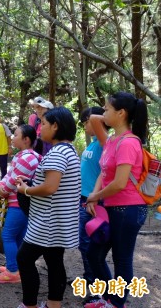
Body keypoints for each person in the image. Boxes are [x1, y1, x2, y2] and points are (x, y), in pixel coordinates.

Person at [84, 92, 149, 308]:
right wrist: (94, 197)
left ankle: (116, 304)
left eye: (107, 109)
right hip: (112, 207)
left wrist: (95, 196)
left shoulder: (129, 143)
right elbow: (104, 172)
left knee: (122, 259)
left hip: (128, 210)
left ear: (121, 113)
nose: (102, 113)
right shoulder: (111, 139)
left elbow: (120, 183)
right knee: (94, 254)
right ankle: (108, 297)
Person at [15, 106, 81, 308]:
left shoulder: (57, 153)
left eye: (42, 124)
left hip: (47, 223)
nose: (39, 129)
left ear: (55, 126)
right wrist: (31, 183)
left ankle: (30, 305)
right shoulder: (69, 151)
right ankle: (53, 304)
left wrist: (25, 190)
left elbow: (50, 187)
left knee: (24, 259)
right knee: (54, 261)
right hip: (60, 221)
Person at [0, 125, 41, 284]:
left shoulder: (27, 158)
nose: (12, 137)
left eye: (16, 134)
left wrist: (2, 188)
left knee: (8, 235)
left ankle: (12, 271)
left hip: (18, 204)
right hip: (20, 203)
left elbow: (10, 182)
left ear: (26, 140)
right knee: (18, 236)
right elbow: (9, 176)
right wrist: (2, 185)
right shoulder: (24, 156)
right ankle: (18, 267)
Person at [77, 106, 108, 303]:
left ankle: (97, 288)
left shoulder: (105, 144)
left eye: (86, 121)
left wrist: (95, 198)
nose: (85, 125)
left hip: (94, 201)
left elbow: (106, 174)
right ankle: (91, 281)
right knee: (84, 244)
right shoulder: (93, 144)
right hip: (85, 199)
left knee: (90, 246)